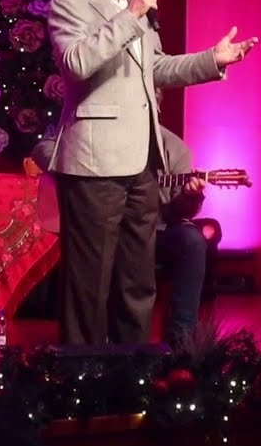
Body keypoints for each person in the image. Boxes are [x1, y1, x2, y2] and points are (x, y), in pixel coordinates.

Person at [46, 0, 256, 345]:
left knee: (137, 279)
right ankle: (83, 372)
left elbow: (155, 68)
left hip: (143, 159)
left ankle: (133, 366)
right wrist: (130, 16)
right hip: (95, 162)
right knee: (89, 282)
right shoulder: (70, 3)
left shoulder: (134, 5)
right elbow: (76, 63)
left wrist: (212, 60)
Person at [31, 88, 214, 349]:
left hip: (154, 229)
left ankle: (181, 341)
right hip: (100, 227)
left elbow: (179, 211)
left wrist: (190, 196)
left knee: (192, 241)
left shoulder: (173, 147)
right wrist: (76, 171)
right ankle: (89, 347)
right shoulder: (96, 134)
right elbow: (43, 147)